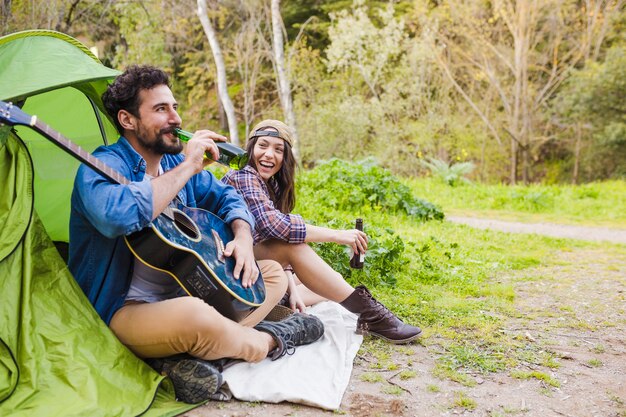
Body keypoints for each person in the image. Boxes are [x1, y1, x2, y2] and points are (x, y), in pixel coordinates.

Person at [68, 66, 323, 404]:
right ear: (128, 120)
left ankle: (175, 358)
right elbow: (118, 216)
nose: (176, 118)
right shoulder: (101, 166)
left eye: (174, 107)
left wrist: (244, 236)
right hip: (125, 309)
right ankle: (269, 340)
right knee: (194, 315)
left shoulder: (171, 162)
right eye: (161, 109)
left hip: (186, 288)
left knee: (270, 274)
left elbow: (228, 197)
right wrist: (190, 165)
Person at [222, 119, 422, 345]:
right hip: (228, 262)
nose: (269, 155)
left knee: (331, 281)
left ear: (285, 158)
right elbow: (274, 226)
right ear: (250, 149)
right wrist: (336, 235)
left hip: (256, 263)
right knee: (297, 250)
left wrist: (293, 289)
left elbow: (272, 241)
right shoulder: (243, 176)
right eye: (263, 146)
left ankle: (288, 301)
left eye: (278, 150)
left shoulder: (272, 185)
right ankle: (373, 316)